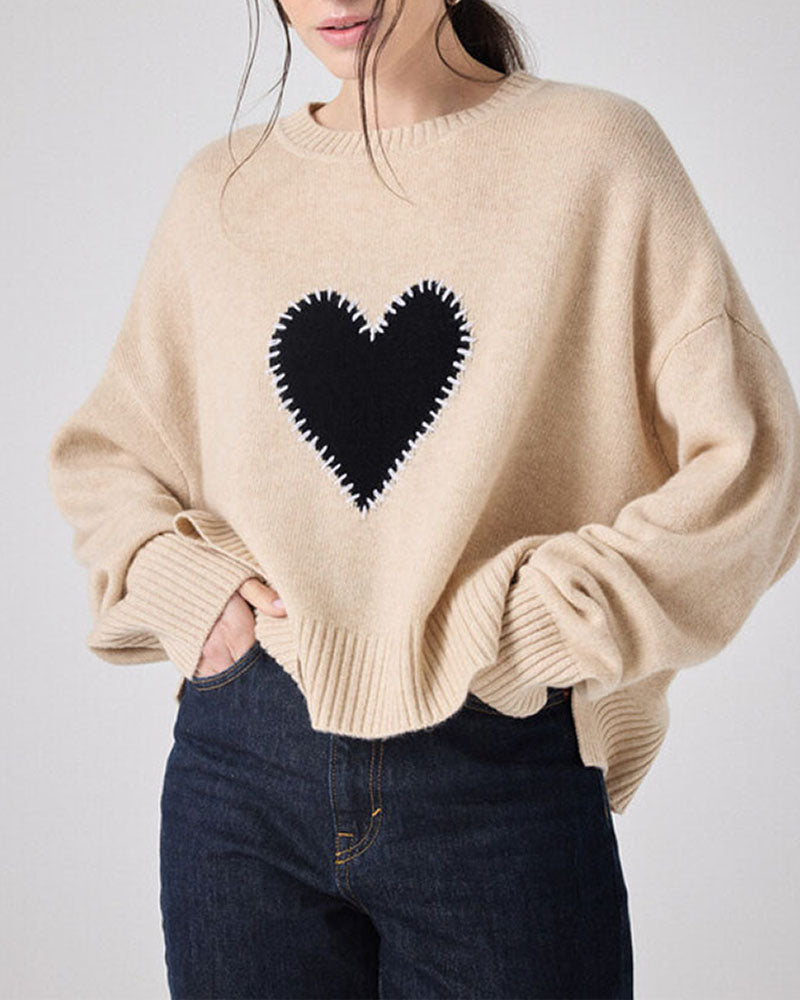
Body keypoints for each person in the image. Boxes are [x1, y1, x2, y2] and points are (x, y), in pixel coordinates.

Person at [47, 1, 800, 998]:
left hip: (495, 751)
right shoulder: (220, 191)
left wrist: (548, 622)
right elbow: (107, 454)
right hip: (243, 761)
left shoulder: (595, 154)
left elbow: (753, 466)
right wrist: (193, 589)